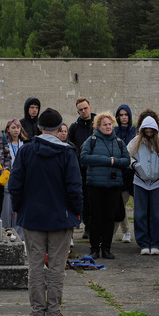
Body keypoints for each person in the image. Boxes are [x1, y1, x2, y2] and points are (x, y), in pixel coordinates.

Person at [9, 108, 83, 316]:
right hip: (61, 217)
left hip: (32, 216)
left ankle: (36, 311)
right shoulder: (67, 153)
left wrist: (20, 208)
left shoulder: (26, 151)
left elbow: (15, 185)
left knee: (35, 265)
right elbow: (75, 188)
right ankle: (53, 311)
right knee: (57, 266)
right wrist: (77, 213)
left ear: (40, 127)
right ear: (60, 128)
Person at [80, 112, 130, 259]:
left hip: (113, 186)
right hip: (95, 186)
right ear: (98, 126)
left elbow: (126, 161)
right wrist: (109, 160)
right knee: (96, 218)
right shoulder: (91, 141)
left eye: (110, 124)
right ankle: (94, 249)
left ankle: (107, 248)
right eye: (105, 124)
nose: (108, 127)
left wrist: (115, 161)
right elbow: (84, 157)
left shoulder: (119, 142)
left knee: (109, 218)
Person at [128, 115, 159, 255]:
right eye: (147, 131)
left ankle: (155, 242)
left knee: (157, 214)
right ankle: (143, 242)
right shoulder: (135, 141)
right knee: (140, 214)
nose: (149, 134)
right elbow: (127, 156)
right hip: (140, 182)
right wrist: (135, 165)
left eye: (152, 131)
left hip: (158, 182)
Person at [69, 98, 96, 238]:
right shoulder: (74, 127)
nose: (84, 111)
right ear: (78, 111)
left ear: (90, 108)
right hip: (81, 169)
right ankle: (87, 226)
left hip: (96, 168)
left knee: (95, 200)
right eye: (81, 109)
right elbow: (71, 145)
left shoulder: (98, 123)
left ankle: (95, 227)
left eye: (85, 108)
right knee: (84, 199)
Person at [114, 104, 136, 243]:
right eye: (121, 115)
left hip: (132, 173)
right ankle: (126, 231)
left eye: (126, 115)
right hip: (119, 173)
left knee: (134, 204)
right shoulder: (114, 131)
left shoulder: (134, 132)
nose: (123, 117)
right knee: (120, 204)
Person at [0, 119, 27, 230]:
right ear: (8, 130)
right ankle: (5, 231)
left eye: (18, 127)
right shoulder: (4, 144)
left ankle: (20, 235)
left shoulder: (24, 144)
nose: (16, 130)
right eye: (13, 128)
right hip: (7, 180)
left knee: (19, 210)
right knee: (6, 210)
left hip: (20, 181)